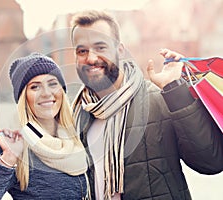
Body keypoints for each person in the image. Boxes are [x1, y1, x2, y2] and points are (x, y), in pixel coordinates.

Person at [69, 10, 223, 200]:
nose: (91, 58)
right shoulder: (75, 114)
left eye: (100, 48)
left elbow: (211, 162)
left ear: (120, 50)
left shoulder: (159, 99)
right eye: (82, 51)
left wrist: (176, 91)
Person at [0, 53, 89, 199]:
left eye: (52, 83)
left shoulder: (76, 139)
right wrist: (7, 160)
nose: (46, 93)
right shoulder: (13, 146)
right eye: (35, 87)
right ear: (23, 98)